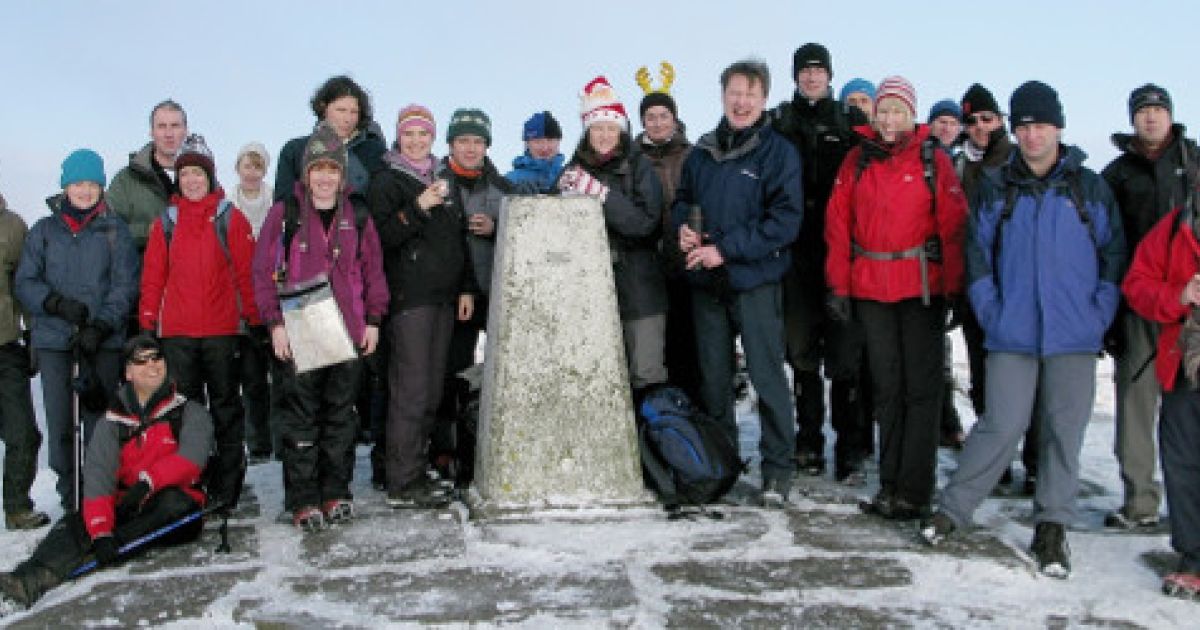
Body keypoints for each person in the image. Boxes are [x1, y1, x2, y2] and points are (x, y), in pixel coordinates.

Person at [922, 81, 1127, 580]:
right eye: (1024, 127)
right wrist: (992, 311)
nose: (1032, 135)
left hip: (1073, 334)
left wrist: (1097, 313)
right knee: (1001, 423)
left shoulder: (1087, 187)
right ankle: (953, 509)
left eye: (1041, 126)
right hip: (1012, 331)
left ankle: (1052, 526)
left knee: (1062, 432)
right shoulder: (998, 187)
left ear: (1058, 127)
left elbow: (1113, 254)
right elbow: (978, 256)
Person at [826, 76, 967, 519]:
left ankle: (915, 489)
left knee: (921, 390)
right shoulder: (856, 159)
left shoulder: (931, 159)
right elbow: (838, 224)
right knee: (886, 388)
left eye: (897, 111)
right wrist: (839, 286)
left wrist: (955, 288)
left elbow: (953, 225)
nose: (889, 120)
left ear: (911, 114)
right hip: (871, 287)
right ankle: (890, 484)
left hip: (920, 288)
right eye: (883, 110)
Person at [0, 334, 213, 611]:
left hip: (172, 503)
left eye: (156, 358)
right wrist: (100, 529)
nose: (152, 366)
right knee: (77, 523)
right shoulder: (112, 422)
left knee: (174, 505)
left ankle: (110, 546)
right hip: (128, 502)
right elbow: (99, 477)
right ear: (128, 372)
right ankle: (26, 580)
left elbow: (192, 459)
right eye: (141, 361)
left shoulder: (189, 411)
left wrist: (149, 482)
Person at [671, 58, 803, 507]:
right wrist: (682, 229)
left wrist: (725, 249)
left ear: (763, 99)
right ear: (723, 95)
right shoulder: (702, 152)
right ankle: (721, 464)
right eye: (734, 93)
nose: (741, 102)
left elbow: (784, 220)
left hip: (755, 281)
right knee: (714, 381)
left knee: (767, 377)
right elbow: (683, 200)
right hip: (707, 284)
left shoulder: (778, 152)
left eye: (750, 94)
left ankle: (778, 470)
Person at [252, 122, 388, 531]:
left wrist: (373, 320)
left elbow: (373, 271)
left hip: (346, 330)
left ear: (342, 174)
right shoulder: (285, 213)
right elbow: (262, 272)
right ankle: (303, 499)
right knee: (300, 419)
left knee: (341, 417)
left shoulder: (357, 215)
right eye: (318, 169)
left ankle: (335, 492)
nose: (325, 178)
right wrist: (274, 324)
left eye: (332, 169)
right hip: (300, 330)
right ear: (306, 173)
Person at [138, 134, 259, 513]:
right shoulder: (166, 223)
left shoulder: (229, 218)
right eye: (185, 174)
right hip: (178, 333)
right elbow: (153, 277)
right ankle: (191, 479)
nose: (191, 181)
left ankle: (228, 482)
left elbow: (246, 273)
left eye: (198, 174)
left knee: (226, 407)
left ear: (210, 177)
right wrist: (147, 322)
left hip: (222, 331)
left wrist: (254, 319)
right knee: (185, 412)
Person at [770, 42, 873, 483]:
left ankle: (849, 447)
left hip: (842, 251)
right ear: (795, 76)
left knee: (846, 355)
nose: (812, 77)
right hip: (795, 252)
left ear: (830, 75)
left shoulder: (850, 121)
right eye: (805, 71)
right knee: (801, 352)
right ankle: (808, 441)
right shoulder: (779, 121)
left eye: (818, 70)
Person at [15, 149, 139, 511]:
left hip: (101, 341)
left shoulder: (114, 230)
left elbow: (125, 285)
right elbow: (26, 281)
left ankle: (99, 497)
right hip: (54, 341)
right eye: (77, 183)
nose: (85, 191)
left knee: (99, 423)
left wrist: (102, 325)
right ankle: (70, 497)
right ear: (65, 187)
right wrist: (54, 304)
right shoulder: (44, 231)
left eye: (92, 184)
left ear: (101, 187)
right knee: (60, 423)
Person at [1101, 83, 1198, 530]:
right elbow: (1105, 241)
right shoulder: (1116, 174)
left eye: (1159, 110)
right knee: (1136, 403)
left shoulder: (1194, 162)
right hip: (1138, 301)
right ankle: (1140, 501)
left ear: (1171, 115)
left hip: (1193, 307)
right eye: (1143, 112)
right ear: (1132, 119)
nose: (1151, 118)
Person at [368, 104, 474, 507]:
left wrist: (466, 288)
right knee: (410, 392)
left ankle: (417, 465)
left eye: (423, 134)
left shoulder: (444, 180)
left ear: (432, 137)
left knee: (431, 392)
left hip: (444, 298)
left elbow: (458, 238)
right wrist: (417, 208)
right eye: (409, 134)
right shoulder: (387, 180)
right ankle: (402, 479)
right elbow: (380, 238)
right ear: (399, 138)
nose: (416, 141)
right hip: (409, 298)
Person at [559, 75, 668, 400]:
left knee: (646, 374)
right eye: (598, 128)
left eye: (611, 128)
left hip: (640, 288)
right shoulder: (572, 170)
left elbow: (645, 223)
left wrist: (602, 195)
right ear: (587, 132)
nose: (605, 135)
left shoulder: (639, 167)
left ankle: (651, 432)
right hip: (590, 290)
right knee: (599, 381)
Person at [954, 83, 1038, 492]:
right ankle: (996, 462)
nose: (980, 127)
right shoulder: (959, 164)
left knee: (1028, 378)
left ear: (1001, 119)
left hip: (1017, 286)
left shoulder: (1019, 159)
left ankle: (1035, 462)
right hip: (975, 286)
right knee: (983, 377)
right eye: (971, 121)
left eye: (986, 119)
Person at [1121, 193, 1200, 599]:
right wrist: (1180, 296)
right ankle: (1194, 557)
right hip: (1185, 365)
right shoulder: (1173, 227)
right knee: (1183, 463)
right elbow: (1137, 285)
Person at [435, 108, 517, 442]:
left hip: (495, 292)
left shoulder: (503, 187)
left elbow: (523, 233)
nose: (471, 148)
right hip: (451, 295)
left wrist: (497, 228)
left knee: (501, 373)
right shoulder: (434, 182)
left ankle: (488, 443)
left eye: (478, 141)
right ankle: (446, 448)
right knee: (450, 372)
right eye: (463, 141)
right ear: (451, 144)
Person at [632, 61, 700, 400]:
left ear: (674, 118)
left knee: (688, 340)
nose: (658, 123)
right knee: (652, 346)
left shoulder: (692, 155)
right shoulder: (631, 158)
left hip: (685, 260)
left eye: (663, 116)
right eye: (651, 117)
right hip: (646, 264)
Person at [0, 189, 49, 530]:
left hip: (5, 346)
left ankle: (17, 507)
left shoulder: (13, 226)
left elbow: (27, 284)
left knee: (23, 434)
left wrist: (34, 334)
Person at [274, 75, 386, 206]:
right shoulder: (295, 150)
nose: (348, 119)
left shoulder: (375, 151)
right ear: (323, 108)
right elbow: (282, 205)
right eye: (341, 110)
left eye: (354, 112)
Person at [231, 142, 276, 462]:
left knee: (278, 378)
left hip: (271, 292)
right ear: (238, 168)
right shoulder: (228, 205)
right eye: (247, 166)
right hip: (241, 299)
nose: (252, 173)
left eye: (257, 167)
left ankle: (279, 439)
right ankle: (257, 442)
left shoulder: (274, 201)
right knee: (251, 379)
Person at [107, 100, 189, 256]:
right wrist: (149, 231)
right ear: (152, 132)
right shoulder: (126, 180)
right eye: (161, 126)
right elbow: (108, 231)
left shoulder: (202, 180)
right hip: (142, 269)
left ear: (185, 131)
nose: (169, 134)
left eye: (175, 126)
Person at [505, 111, 565, 193]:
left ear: (558, 142)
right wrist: (512, 194)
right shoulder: (510, 180)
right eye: (537, 141)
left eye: (550, 140)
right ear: (527, 144)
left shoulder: (573, 178)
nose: (544, 148)